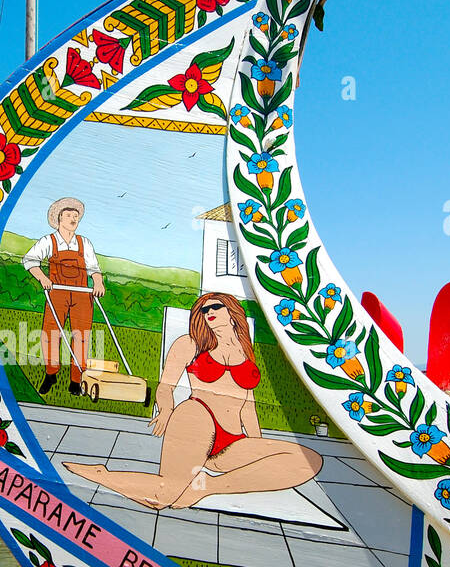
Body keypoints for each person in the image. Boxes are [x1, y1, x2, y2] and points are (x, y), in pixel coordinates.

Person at [64, 293, 322, 510]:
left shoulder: (245, 351)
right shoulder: (190, 344)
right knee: (164, 497)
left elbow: (248, 405)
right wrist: (166, 409)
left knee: (307, 461)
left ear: (231, 312)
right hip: (197, 418)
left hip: (233, 440)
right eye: (203, 309)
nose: (208, 311)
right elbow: (166, 386)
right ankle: (102, 474)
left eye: (215, 307)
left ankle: (206, 486)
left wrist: (257, 443)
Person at [22, 197, 105, 397]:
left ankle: (76, 380)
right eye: (68, 215)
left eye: (75, 215)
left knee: (81, 337)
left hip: (82, 295)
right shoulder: (48, 241)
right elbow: (29, 260)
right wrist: (42, 278)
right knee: (51, 334)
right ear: (59, 218)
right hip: (56, 293)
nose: (73, 218)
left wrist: (98, 282)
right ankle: (51, 373)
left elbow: (94, 268)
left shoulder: (84, 243)